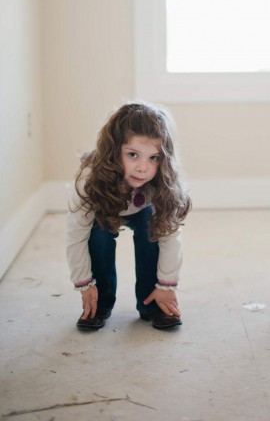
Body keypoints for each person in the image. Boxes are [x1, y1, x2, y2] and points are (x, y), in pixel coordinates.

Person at [66, 102, 192, 331]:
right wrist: (84, 284)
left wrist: (166, 285)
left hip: (143, 211)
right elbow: (76, 236)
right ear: (114, 150)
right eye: (133, 154)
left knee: (152, 228)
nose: (143, 167)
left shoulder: (160, 183)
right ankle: (100, 304)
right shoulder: (89, 181)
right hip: (107, 207)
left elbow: (171, 234)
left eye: (153, 158)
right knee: (99, 236)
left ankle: (151, 304)